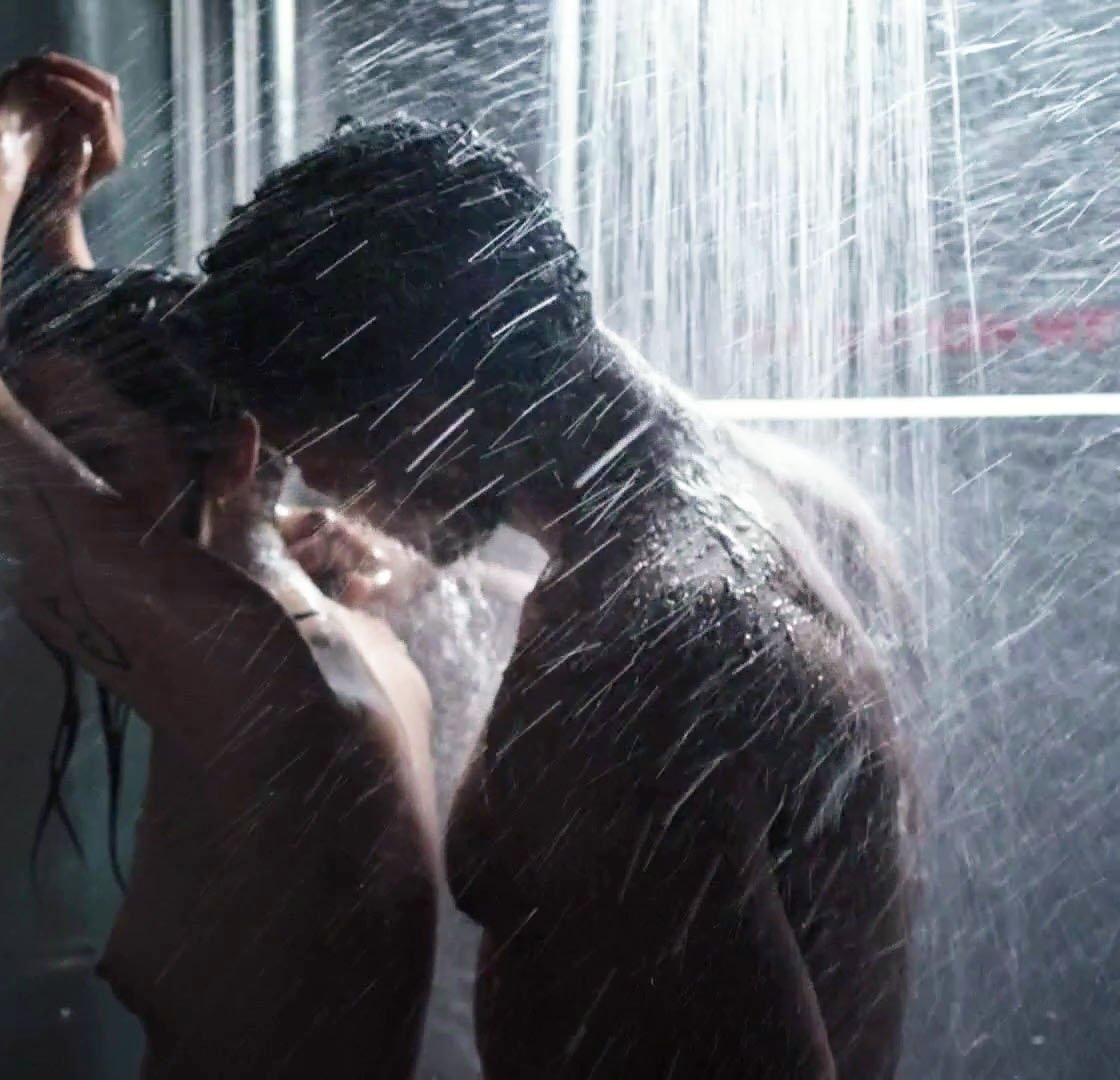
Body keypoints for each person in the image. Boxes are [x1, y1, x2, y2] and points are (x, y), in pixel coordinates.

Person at [183, 117, 917, 1078]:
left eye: (319, 452)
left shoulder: (628, 675)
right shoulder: (793, 505)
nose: (321, 490)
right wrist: (436, 568)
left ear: (427, 413)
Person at [0, 55, 443, 1078]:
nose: (64, 495)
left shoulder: (262, 673)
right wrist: (55, 212)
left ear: (236, 454)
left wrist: (9, 137)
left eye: (93, 459)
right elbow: (133, 421)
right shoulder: (317, 628)